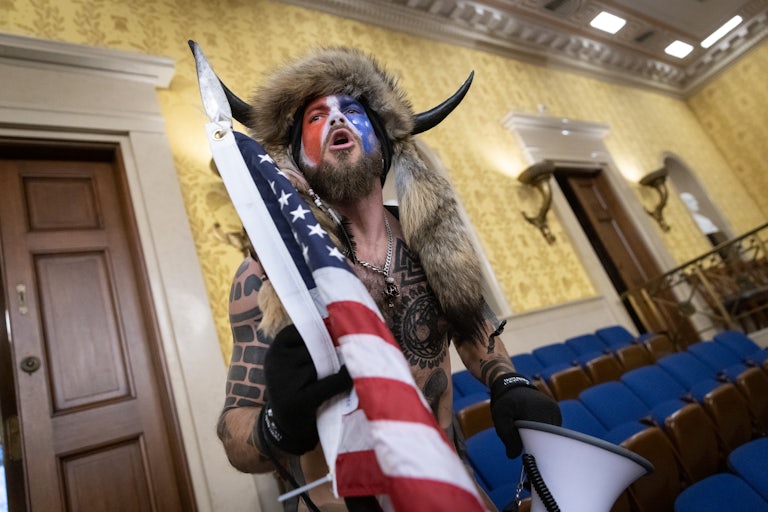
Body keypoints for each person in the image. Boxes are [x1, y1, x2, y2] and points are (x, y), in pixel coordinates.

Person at [215, 47, 561, 511]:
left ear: (382, 141)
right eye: (316, 118)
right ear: (296, 157)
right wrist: (278, 425)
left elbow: (472, 330)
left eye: (351, 110)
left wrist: (508, 383)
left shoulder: (434, 247)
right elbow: (234, 438)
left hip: (447, 484)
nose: (336, 120)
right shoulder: (267, 275)